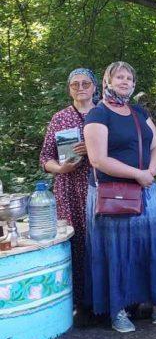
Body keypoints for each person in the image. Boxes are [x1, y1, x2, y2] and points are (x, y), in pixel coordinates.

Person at [83, 61, 156, 332]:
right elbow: (98, 159)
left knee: (153, 247)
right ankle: (118, 311)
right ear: (107, 81)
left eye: (129, 78)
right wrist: (136, 174)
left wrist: (150, 172)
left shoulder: (138, 112)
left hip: (145, 190)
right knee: (117, 252)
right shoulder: (98, 115)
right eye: (119, 77)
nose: (125, 81)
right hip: (114, 195)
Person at [39, 68, 98, 310]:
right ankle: (80, 304)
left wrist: (94, 148)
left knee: (102, 239)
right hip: (69, 188)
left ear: (95, 87)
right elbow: (45, 159)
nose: (81, 87)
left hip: (100, 185)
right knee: (76, 241)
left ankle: (108, 298)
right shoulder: (59, 118)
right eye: (75, 84)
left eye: (85, 83)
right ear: (69, 89)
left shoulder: (105, 113)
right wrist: (61, 168)